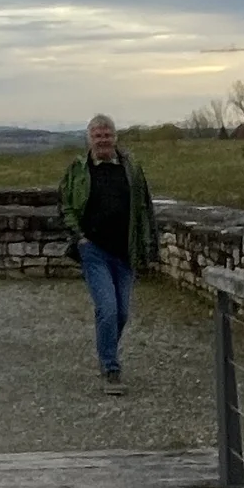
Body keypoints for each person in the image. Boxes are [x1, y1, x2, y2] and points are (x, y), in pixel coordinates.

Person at [59, 115, 158, 391]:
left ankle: (106, 353)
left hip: (125, 251)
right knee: (107, 308)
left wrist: (149, 244)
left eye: (107, 135)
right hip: (94, 250)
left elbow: (145, 207)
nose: (103, 140)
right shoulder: (78, 170)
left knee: (122, 313)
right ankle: (111, 369)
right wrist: (80, 238)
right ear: (89, 139)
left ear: (115, 137)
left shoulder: (131, 168)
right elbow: (65, 205)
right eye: (97, 135)